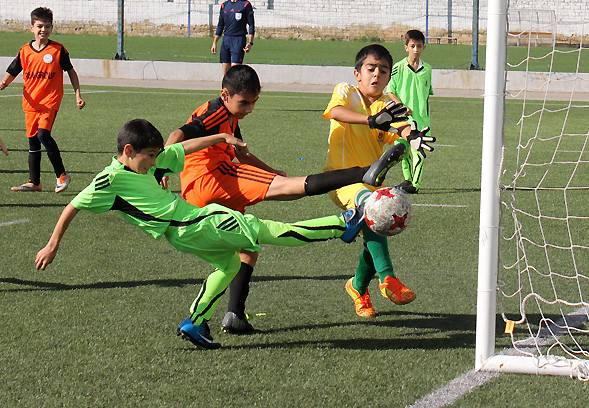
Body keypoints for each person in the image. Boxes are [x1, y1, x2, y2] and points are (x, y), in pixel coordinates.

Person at [35, 118, 368, 350]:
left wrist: (221, 138)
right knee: (266, 231)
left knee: (229, 265)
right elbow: (73, 205)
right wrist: (52, 245)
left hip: (182, 233)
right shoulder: (109, 180)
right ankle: (343, 223)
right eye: (149, 157)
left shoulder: (146, 163)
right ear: (127, 152)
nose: (154, 163)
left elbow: (184, 148)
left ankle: (195, 322)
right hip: (195, 222)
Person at [164, 64, 413, 333]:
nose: (250, 109)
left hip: (201, 187)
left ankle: (234, 315)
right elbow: (180, 133)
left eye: (254, 102)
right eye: (244, 103)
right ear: (225, 95)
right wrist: (163, 164)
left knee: (247, 248)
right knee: (289, 189)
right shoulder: (213, 112)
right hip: (214, 178)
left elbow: (242, 154)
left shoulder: (227, 114)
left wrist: (270, 170)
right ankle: (363, 173)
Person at [323, 44, 435, 317]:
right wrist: (372, 120)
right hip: (340, 179)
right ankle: (388, 279)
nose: (376, 75)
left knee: (378, 228)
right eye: (370, 69)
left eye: (383, 70)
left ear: (388, 77)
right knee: (375, 210)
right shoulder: (346, 91)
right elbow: (337, 112)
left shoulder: (387, 105)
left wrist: (412, 135)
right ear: (357, 73)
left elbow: (400, 126)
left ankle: (358, 286)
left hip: (371, 185)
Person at [0, 6, 85, 193]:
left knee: (43, 135)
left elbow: (71, 72)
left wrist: (78, 94)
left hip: (49, 102)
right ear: (31, 28)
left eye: (46, 26)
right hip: (30, 103)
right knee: (33, 141)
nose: (43, 30)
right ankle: (34, 182)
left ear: (52, 28)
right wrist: (5, 82)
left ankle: (62, 175)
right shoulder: (24, 51)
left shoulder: (57, 50)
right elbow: (13, 70)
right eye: (39, 26)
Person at [386, 29, 433, 194]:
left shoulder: (427, 69)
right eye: (412, 46)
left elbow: (427, 93)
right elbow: (390, 90)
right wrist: (401, 105)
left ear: (423, 48)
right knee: (403, 151)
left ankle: (415, 184)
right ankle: (407, 179)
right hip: (402, 118)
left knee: (418, 152)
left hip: (421, 120)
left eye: (419, 46)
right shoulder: (398, 68)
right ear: (406, 47)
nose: (416, 49)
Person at [211, 0, 255, 74]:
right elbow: (220, 25)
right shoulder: (224, 6)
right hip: (226, 39)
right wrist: (215, 42)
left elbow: (251, 24)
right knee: (226, 72)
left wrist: (250, 42)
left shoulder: (245, 4)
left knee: (234, 72)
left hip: (238, 40)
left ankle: (236, 89)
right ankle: (225, 89)